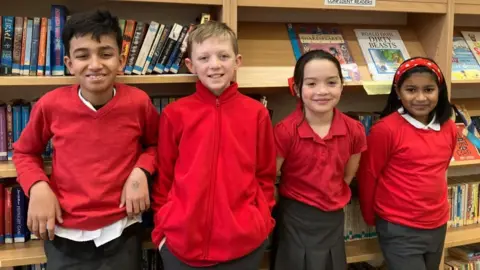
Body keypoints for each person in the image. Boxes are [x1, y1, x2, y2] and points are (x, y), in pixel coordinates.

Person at [12, 10, 158, 270]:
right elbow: (24, 153)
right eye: (83, 55)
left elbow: (156, 145)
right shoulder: (50, 105)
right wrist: (37, 186)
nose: (95, 64)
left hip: (122, 230)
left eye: (105, 53)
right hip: (64, 233)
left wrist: (141, 171)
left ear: (121, 60)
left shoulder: (138, 103)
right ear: (69, 63)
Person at [150, 20, 276, 270]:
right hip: (180, 245)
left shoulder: (256, 114)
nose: (215, 65)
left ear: (237, 61)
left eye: (223, 56)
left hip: (244, 245)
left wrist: (261, 221)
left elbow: (265, 175)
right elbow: (164, 176)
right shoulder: (175, 114)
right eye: (204, 58)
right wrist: (163, 227)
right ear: (191, 65)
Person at [356, 57, 456, 270]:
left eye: (429, 89)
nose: (421, 97)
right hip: (399, 226)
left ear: (439, 91)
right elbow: (368, 175)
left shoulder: (448, 127)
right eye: (411, 90)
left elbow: (442, 168)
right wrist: (369, 215)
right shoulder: (385, 130)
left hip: (437, 224)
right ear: (398, 92)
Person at [272, 49, 367, 270]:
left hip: (332, 218)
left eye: (331, 82)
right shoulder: (285, 131)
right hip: (294, 217)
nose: (322, 91)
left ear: (342, 86)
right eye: (312, 84)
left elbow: (347, 176)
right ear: (297, 89)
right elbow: (269, 178)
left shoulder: (354, 130)